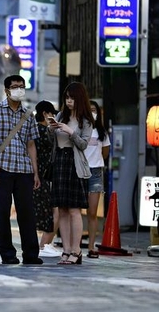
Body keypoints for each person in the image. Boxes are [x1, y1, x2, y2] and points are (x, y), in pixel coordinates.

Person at [0, 74, 43, 265]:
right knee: (2, 213)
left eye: (22, 86)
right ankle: (8, 254)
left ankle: (31, 254)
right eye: (15, 86)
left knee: (27, 213)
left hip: (24, 170)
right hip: (2, 167)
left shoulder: (28, 115)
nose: (19, 89)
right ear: (6, 90)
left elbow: (31, 145)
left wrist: (35, 172)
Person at [48, 82, 94, 265]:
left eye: (72, 98)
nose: (68, 101)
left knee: (75, 209)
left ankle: (77, 250)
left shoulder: (86, 121)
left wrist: (70, 132)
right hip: (59, 162)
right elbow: (53, 141)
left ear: (79, 98)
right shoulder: (60, 115)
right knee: (62, 209)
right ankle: (66, 250)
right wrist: (50, 130)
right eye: (66, 97)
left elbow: (83, 145)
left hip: (74, 164)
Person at [34, 100, 62, 258]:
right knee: (53, 213)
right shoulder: (44, 131)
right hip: (44, 176)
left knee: (48, 212)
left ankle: (44, 244)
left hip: (39, 175)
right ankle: (44, 245)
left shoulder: (34, 129)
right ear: (45, 114)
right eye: (52, 113)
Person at [85, 100, 110, 259]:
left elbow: (105, 153)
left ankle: (91, 246)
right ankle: (73, 246)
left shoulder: (102, 132)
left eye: (95, 109)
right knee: (72, 210)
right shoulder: (80, 129)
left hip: (95, 171)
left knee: (92, 211)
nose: (92, 112)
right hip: (80, 170)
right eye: (90, 109)